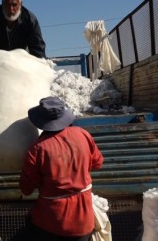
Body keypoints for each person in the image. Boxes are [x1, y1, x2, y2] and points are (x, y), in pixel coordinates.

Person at [18, 96, 104, 241]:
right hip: (84, 221)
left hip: (51, 223)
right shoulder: (83, 134)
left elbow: (26, 189)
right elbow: (97, 163)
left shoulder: (37, 149)